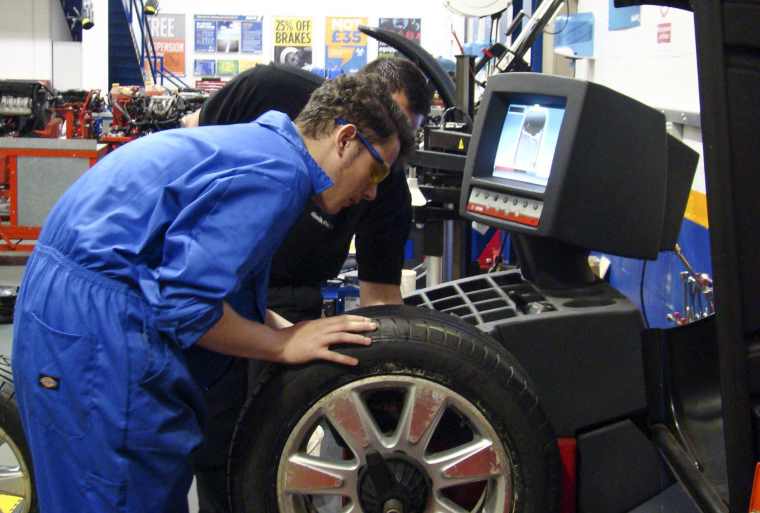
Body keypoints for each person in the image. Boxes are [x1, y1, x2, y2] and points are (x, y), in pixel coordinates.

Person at [11, 73, 414, 513]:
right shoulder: (279, 175)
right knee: (118, 494)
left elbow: (213, 278)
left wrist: (285, 327)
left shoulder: (263, 147)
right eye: (376, 170)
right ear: (345, 138)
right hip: (96, 325)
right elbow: (184, 304)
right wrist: (281, 345)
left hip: (76, 303)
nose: (373, 192)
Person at [187, 59, 433, 513]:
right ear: (351, 125)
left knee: (270, 439)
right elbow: (194, 144)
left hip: (278, 297)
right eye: (386, 136)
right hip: (214, 285)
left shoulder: (386, 181)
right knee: (211, 439)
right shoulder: (267, 99)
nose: (391, 164)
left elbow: (380, 299)